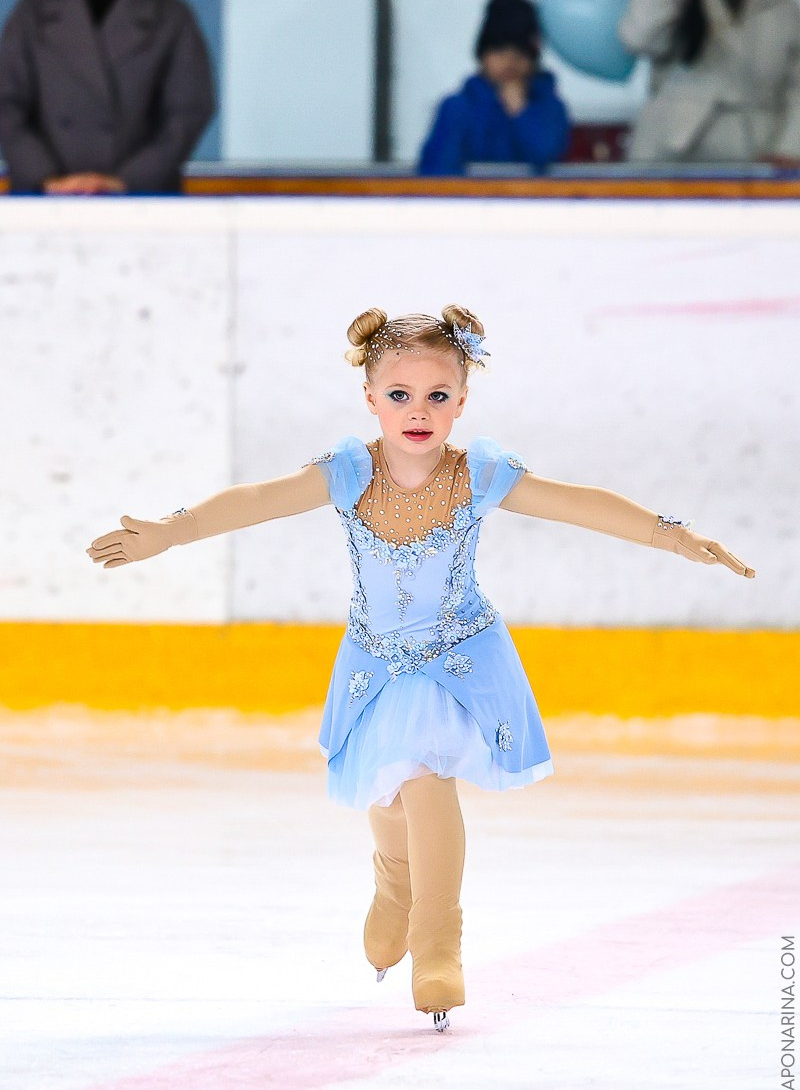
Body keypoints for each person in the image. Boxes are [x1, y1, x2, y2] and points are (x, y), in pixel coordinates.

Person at [85, 304, 756, 1032]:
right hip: (377, 661)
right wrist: (172, 532)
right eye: (399, 395)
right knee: (389, 793)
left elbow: (576, 504)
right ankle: (394, 881)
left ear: (462, 401)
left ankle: (439, 944)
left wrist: (670, 534)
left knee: (427, 777)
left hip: (460, 659)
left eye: (438, 395)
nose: (418, 411)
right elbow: (257, 500)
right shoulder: (348, 472)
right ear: (370, 398)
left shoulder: (479, 476)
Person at [0, 0, 215, 194]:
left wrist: (127, 181)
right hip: (43, 200)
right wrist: (45, 178)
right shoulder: (32, 10)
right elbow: (6, 104)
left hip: (141, 200)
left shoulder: (171, 14)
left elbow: (189, 111)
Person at [618, 0, 800, 164]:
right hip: (670, 151)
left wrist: (789, 150)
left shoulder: (783, 3)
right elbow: (637, 37)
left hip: (756, 154)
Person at [418, 0, 571, 175]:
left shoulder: (549, 108)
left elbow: (546, 156)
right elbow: (437, 174)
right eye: (499, 50)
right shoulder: (458, 108)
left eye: (520, 53)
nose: (510, 61)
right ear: (483, 56)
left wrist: (521, 112)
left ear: (533, 60)